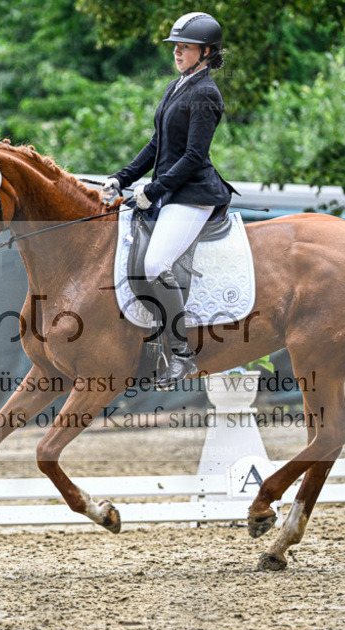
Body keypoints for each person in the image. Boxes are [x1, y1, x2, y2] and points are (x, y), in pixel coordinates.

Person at [99, 11, 236, 390]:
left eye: (185, 47)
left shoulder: (206, 93)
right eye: (175, 46)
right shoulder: (177, 86)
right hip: (172, 192)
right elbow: (157, 145)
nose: (176, 52)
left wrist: (153, 190)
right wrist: (122, 178)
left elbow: (193, 156)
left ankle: (181, 355)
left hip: (194, 194)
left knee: (156, 263)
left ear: (206, 52)